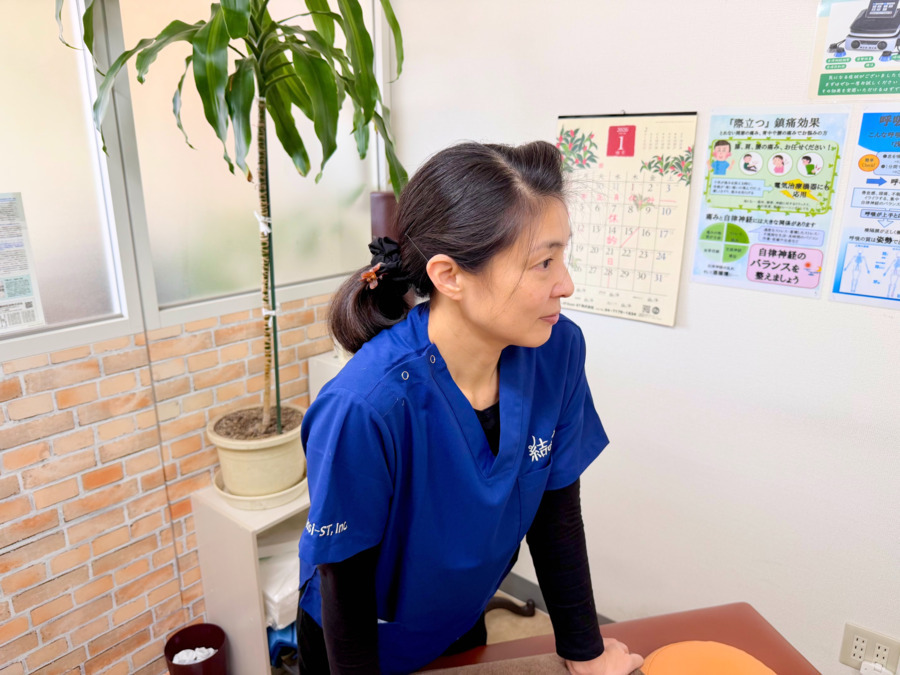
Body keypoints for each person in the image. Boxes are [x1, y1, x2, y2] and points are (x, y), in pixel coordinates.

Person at [296, 141, 644, 675]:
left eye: (563, 256)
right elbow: (345, 581)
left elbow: (555, 514)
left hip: (462, 611)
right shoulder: (366, 407)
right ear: (450, 276)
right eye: (543, 262)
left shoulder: (556, 351)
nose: (566, 284)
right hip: (362, 640)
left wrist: (585, 654)